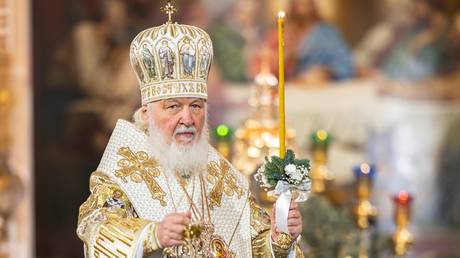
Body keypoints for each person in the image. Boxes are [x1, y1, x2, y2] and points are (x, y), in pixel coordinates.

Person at [76, 4, 304, 257]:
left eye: (196, 106)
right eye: (173, 107)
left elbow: (250, 246)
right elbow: (97, 229)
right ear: (145, 114)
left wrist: (278, 239)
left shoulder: (221, 174)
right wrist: (152, 235)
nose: (188, 118)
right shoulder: (122, 174)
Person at [253, 0, 354, 85]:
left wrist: (326, 72)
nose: (304, 4)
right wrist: (285, 57)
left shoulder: (326, 32)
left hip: (322, 86)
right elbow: (263, 65)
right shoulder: (281, 31)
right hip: (291, 87)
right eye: (300, 3)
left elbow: (344, 63)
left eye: (307, 3)